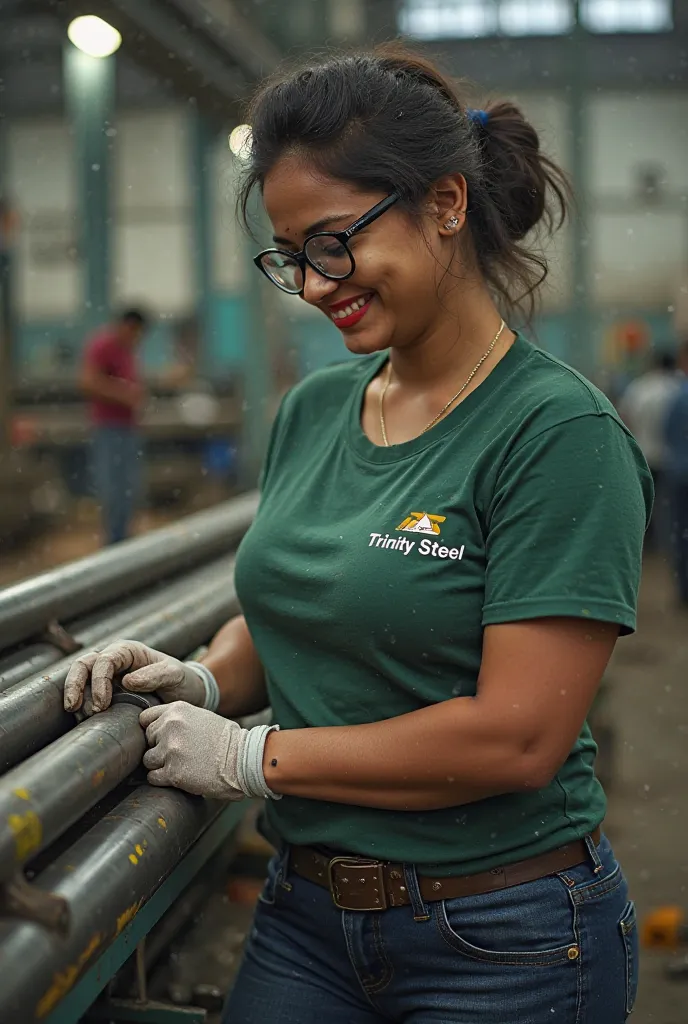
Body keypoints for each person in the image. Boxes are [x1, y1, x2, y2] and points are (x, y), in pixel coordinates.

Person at [65, 46, 652, 1024]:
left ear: (446, 205)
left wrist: (253, 759)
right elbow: (308, 599)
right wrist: (206, 678)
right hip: (306, 915)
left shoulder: (556, 436)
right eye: (292, 255)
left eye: (334, 242)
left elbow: (517, 737)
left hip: (504, 937)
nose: (310, 282)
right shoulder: (319, 405)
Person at [81, 308, 148, 544]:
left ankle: (123, 539)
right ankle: (113, 541)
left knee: (129, 488)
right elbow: (89, 382)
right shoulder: (103, 346)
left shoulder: (127, 351)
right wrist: (124, 394)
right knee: (113, 489)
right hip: (109, 428)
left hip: (127, 428)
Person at [618, 350, 679, 551]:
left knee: (645, 503)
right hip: (670, 457)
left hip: (643, 453)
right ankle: (668, 543)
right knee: (670, 507)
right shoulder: (676, 387)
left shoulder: (639, 387)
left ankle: (648, 543)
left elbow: (625, 417)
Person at [663, 341, 688, 603]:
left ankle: (684, 588)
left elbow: (667, 431)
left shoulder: (679, 395)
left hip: (679, 471)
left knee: (681, 531)